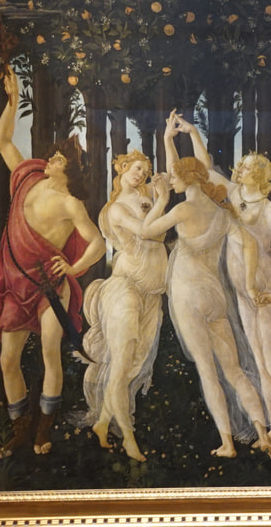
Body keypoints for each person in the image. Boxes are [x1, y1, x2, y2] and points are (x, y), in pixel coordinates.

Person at [165, 113, 271, 448]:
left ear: (262, 175)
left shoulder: (268, 210)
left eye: (249, 166)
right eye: (243, 164)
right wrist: (190, 133)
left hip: (266, 292)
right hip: (242, 292)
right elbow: (203, 168)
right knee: (260, 364)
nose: (241, 167)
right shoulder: (233, 195)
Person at [0, 66, 106, 458]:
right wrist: (13, 100)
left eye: (57, 157)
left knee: (49, 353)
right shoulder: (28, 178)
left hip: (48, 288)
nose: (50, 158)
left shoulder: (71, 204)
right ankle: (20, 428)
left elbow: (98, 243)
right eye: (53, 155)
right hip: (16, 286)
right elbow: (3, 141)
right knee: (8, 360)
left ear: (69, 169)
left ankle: (43, 428)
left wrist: (73, 268)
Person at [140, 151, 271, 462]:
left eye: (174, 177)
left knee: (209, 372)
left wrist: (161, 200)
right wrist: (250, 283)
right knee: (234, 371)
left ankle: (228, 445)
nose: (171, 181)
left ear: (187, 178)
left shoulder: (183, 209)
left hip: (188, 295)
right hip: (215, 297)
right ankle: (262, 436)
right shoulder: (222, 213)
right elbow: (249, 243)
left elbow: (146, 231)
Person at [77, 151, 167, 462]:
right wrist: (163, 201)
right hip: (126, 289)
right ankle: (128, 438)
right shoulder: (116, 208)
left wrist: (168, 139)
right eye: (136, 168)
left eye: (146, 170)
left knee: (132, 366)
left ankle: (102, 423)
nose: (141, 174)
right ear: (122, 168)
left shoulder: (148, 196)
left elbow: (169, 177)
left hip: (151, 293)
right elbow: (146, 231)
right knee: (120, 364)